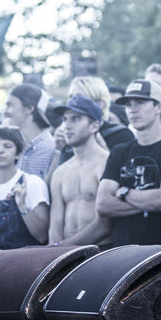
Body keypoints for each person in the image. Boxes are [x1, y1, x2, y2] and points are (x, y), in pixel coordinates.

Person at [96, 79, 161, 245]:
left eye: (140, 102)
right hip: (124, 254)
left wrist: (124, 192)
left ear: (159, 107)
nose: (133, 109)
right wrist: (149, 203)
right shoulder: (119, 151)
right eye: (128, 104)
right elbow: (103, 204)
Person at [49, 95, 112, 246]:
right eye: (65, 120)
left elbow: (105, 224)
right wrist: (55, 256)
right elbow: (55, 226)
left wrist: (63, 248)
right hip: (67, 257)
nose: (67, 126)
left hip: (101, 253)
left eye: (76, 119)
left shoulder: (106, 163)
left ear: (95, 126)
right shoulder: (61, 172)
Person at [4, 84, 56, 180]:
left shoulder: (53, 149)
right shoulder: (12, 147)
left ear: (29, 109)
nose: (5, 112)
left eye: (10, 105)